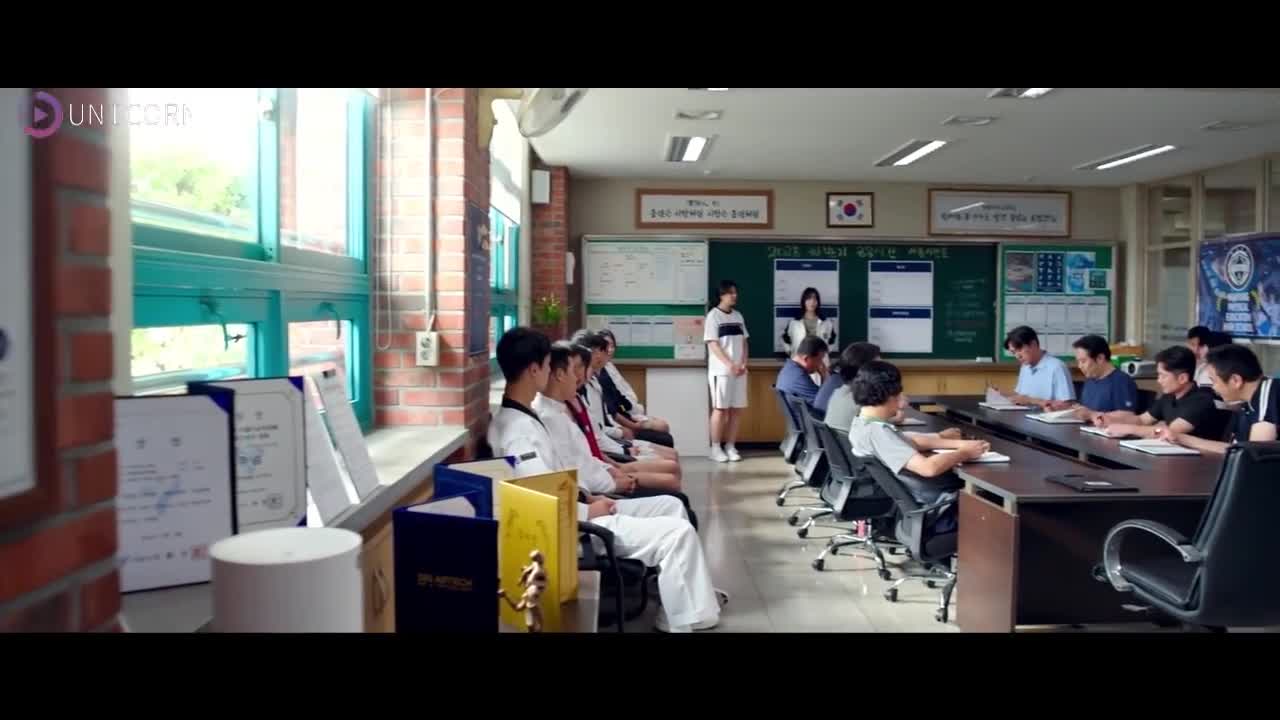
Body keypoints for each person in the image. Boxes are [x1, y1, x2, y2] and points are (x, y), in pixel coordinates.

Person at [486, 326, 723, 632]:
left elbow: (557, 479)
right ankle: (680, 619)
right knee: (677, 534)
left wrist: (591, 497)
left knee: (671, 506)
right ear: (534, 370)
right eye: (546, 366)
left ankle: (684, 601)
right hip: (575, 529)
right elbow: (540, 503)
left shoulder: (524, 418)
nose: (550, 372)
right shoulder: (519, 432)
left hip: (581, 507)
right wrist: (588, 510)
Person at [846, 361, 990, 533]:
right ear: (890, 394)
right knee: (988, 494)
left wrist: (960, 443)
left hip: (914, 500)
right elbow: (928, 468)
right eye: (898, 391)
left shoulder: (863, 423)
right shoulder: (878, 433)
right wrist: (964, 453)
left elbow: (912, 442)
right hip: (936, 503)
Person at [533, 342, 681, 494]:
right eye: (574, 369)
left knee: (671, 471)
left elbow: (590, 453)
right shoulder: (551, 416)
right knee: (671, 482)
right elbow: (577, 471)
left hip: (605, 469)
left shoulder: (566, 406)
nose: (576, 376)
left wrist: (613, 467)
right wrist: (615, 477)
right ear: (559, 374)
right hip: (601, 484)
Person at [824, 341, 962, 440]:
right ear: (867, 370)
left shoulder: (840, 393)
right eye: (878, 365)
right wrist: (939, 436)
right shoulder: (863, 401)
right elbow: (896, 439)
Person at [1088, 345, 1228, 441]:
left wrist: (1128, 429)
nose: (1159, 380)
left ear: (1182, 378)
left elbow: (1170, 431)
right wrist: (1110, 420)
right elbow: (1142, 420)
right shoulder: (1169, 396)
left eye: (1163, 376)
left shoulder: (1201, 400)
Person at [1164, 344, 1278, 454]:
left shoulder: (1270, 392)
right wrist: (1181, 438)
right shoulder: (1247, 404)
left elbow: (1255, 453)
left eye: (1213, 381)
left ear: (1235, 380)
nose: (1213, 387)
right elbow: (1235, 449)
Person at [573, 330, 674, 448]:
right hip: (613, 435)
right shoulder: (582, 388)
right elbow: (605, 421)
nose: (609, 350)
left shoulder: (599, 377)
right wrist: (628, 428)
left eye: (612, 346)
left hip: (615, 431)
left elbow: (616, 403)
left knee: (664, 432)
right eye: (606, 348)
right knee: (664, 439)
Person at [705, 279, 749, 463]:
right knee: (720, 409)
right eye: (730, 292)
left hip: (740, 371)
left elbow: (744, 342)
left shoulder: (738, 316)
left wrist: (743, 363)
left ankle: (730, 446)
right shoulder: (713, 316)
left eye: (735, 292)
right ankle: (715, 448)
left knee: (736, 410)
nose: (734, 295)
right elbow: (713, 344)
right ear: (721, 295)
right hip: (721, 371)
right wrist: (730, 364)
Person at [1046, 335, 1137, 415]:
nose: (1079, 366)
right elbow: (1085, 410)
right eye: (1078, 361)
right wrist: (1062, 409)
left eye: (1083, 361)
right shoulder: (1090, 379)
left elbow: (1127, 416)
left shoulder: (1122, 382)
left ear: (1100, 358)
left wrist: (1091, 415)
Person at [597, 328, 664, 426]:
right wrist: (632, 423)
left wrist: (635, 411)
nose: (610, 349)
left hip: (630, 411)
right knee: (662, 426)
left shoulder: (610, 367)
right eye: (606, 346)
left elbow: (623, 394)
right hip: (622, 417)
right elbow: (614, 408)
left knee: (661, 424)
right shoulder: (601, 373)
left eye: (612, 346)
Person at [1000, 326, 1076, 406]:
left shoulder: (1057, 367)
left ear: (1033, 344)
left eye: (1020, 350)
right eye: (1013, 352)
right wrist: (1002, 395)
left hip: (1046, 414)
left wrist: (1031, 400)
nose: (1017, 356)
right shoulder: (1025, 367)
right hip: (1025, 412)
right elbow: (1021, 397)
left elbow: (1069, 405)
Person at [776, 336, 829, 407]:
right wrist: (824, 376)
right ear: (806, 359)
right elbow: (824, 404)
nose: (821, 364)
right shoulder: (798, 376)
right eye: (819, 360)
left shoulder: (788, 369)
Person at [782, 287, 836, 355]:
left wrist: (825, 353)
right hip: (799, 359)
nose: (812, 302)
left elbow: (833, 340)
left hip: (819, 359)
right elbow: (785, 338)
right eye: (809, 299)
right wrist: (790, 352)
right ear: (803, 301)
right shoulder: (794, 322)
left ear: (818, 302)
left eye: (815, 299)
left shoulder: (826, 322)